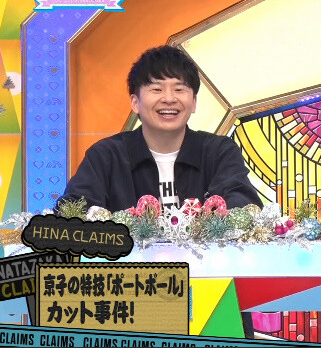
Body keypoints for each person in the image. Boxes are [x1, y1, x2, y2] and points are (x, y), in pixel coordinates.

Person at [58, 45, 262, 338]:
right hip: (127, 305)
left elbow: (243, 204)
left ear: (193, 102)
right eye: (156, 88)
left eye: (180, 89)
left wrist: (212, 216)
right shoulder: (107, 155)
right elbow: (71, 211)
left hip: (213, 300)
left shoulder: (219, 151)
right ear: (135, 101)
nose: (169, 98)